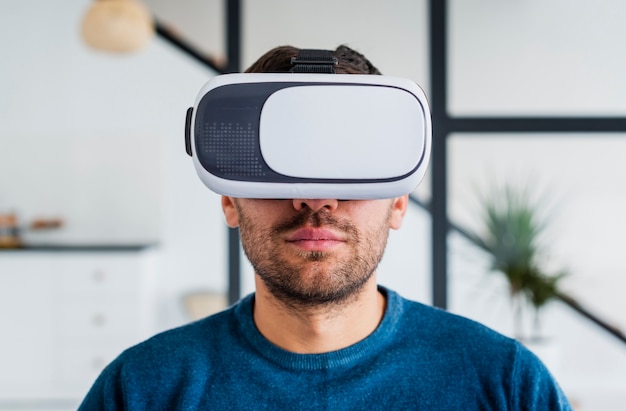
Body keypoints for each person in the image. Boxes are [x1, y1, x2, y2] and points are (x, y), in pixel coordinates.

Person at [78, 45, 573, 410]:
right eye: (276, 165)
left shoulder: (506, 385)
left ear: (399, 202)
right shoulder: (140, 390)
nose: (316, 198)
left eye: (348, 165)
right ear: (229, 199)